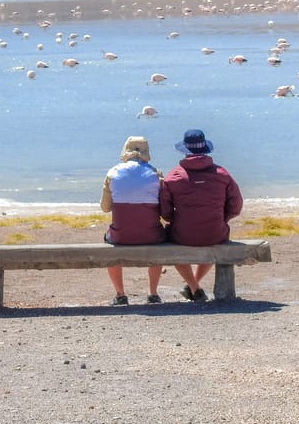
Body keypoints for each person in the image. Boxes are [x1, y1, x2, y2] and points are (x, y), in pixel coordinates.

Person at [160, 128, 243, 301]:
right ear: (205, 148)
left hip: (182, 235)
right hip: (215, 232)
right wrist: (221, 218)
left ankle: (194, 287)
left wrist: (179, 220)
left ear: (185, 151)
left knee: (170, 240)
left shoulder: (172, 177)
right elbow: (236, 206)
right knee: (212, 240)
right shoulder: (222, 174)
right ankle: (193, 286)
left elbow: (165, 212)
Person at [100, 136, 166, 305]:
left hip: (120, 236)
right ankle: (153, 293)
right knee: (159, 242)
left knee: (109, 243)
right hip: (151, 236)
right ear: (146, 152)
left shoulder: (112, 173)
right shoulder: (156, 174)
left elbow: (105, 207)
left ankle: (120, 294)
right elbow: (164, 211)